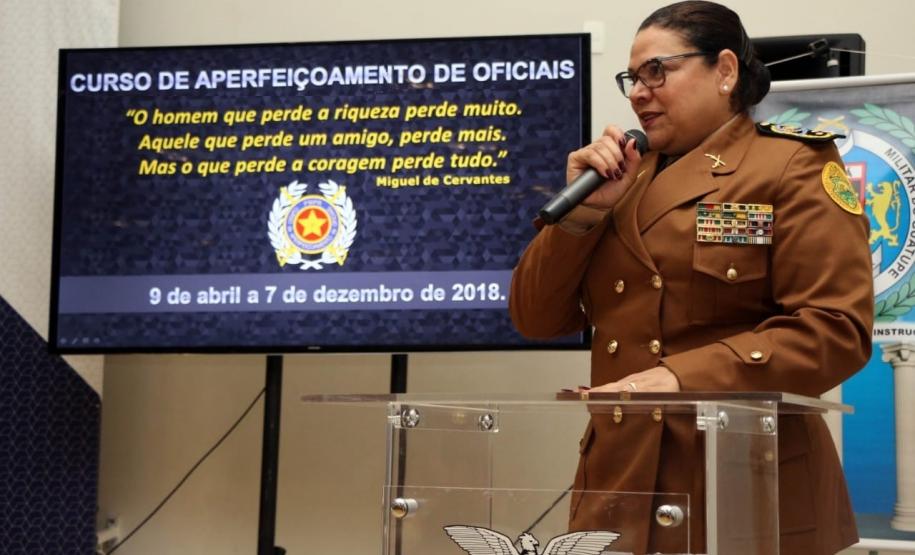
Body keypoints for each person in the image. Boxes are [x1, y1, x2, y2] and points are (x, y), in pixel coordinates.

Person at [509, 1, 873, 554]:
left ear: (725, 71)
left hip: (743, 477)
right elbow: (534, 317)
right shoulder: (620, 177)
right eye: (632, 77)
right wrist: (584, 213)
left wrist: (678, 378)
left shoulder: (791, 164)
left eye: (658, 71)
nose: (637, 92)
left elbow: (835, 330)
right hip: (621, 477)